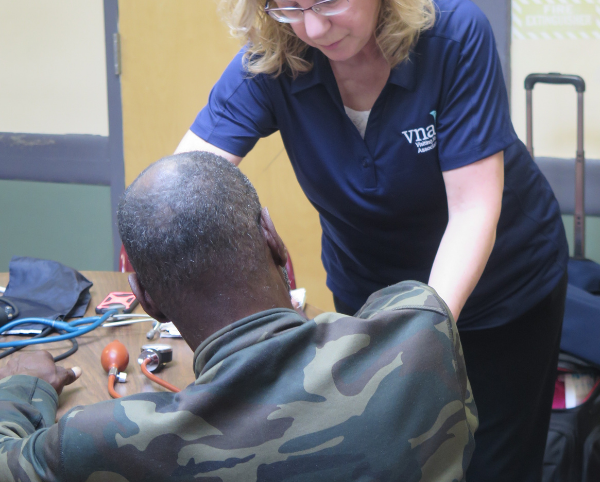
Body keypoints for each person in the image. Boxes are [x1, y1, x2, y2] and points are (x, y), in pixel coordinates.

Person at [176, 0, 569, 479]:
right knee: (392, 460)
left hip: (502, 290)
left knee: (493, 463)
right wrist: (205, 224)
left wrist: (423, 332)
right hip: (370, 294)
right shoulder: (275, 52)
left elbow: (472, 213)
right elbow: (187, 179)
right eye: (288, 5)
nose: (312, 26)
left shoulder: (453, 35)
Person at [0, 151, 476, 482]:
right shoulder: (422, 332)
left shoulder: (103, 443)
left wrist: (24, 388)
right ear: (274, 240)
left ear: (146, 299)